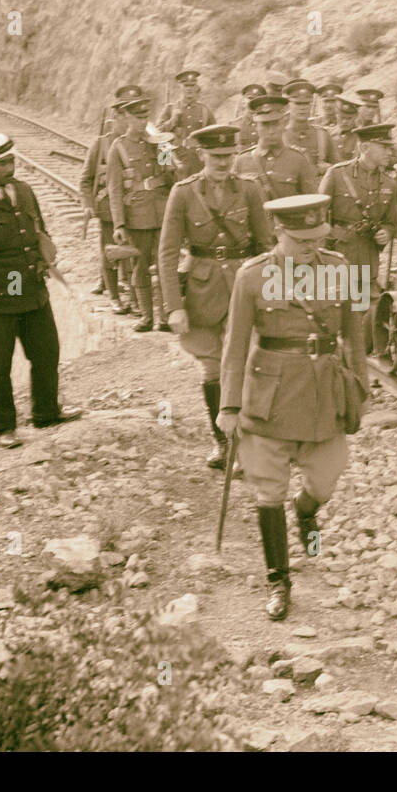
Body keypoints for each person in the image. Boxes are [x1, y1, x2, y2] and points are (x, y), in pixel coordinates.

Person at [217, 194, 368, 620]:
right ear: (278, 233)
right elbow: (234, 346)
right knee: (268, 491)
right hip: (270, 396)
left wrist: (360, 386)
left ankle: (305, 510)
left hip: (325, 391)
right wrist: (229, 406)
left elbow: (355, 334)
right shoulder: (252, 276)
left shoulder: (341, 269)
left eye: (316, 237)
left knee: (326, 479)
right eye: (300, 239)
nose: (310, 246)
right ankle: (278, 580)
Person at [0, 133, 81, 448]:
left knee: (47, 354)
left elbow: (39, 232)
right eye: (1, 164)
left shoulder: (24, 191)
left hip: (33, 294)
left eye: (12, 161)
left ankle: (47, 412)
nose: (9, 168)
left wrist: (42, 259)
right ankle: (4, 427)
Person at [158, 124, 272, 468]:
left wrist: (272, 292)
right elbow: (166, 253)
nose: (224, 163)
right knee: (211, 369)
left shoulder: (250, 190)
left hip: (244, 285)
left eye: (229, 156)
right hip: (201, 291)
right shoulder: (183, 192)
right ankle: (222, 444)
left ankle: (246, 445)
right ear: (202, 155)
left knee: (245, 364)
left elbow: (266, 246)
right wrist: (173, 307)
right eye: (216, 156)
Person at [319, 122, 397, 342]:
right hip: (336, 254)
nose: (389, 151)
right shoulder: (336, 175)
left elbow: (393, 222)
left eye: (389, 147)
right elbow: (316, 216)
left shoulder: (390, 183)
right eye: (383, 147)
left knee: (362, 312)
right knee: (332, 308)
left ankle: (357, 360)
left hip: (367, 255)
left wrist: (386, 231)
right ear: (365, 148)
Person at [108, 92, 176, 332]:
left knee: (165, 265)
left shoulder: (159, 141)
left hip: (163, 212)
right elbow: (114, 190)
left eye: (145, 116)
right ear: (126, 117)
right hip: (137, 216)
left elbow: (172, 175)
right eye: (137, 117)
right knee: (141, 266)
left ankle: (165, 316)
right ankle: (147, 317)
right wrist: (118, 224)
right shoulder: (119, 147)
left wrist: (165, 147)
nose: (141, 121)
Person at [81, 86, 144, 309]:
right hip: (109, 208)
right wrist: (88, 205)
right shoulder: (101, 144)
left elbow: (165, 168)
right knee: (111, 253)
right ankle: (115, 298)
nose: (129, 121)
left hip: (139, 209)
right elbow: (86, 179)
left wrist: (165, 143)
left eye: (134, 115)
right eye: (125, 115)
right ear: (116, 116)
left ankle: (137, 301)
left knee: (139, 255)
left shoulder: (149, 141)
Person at [232, 95, 320, 201]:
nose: (271, 131)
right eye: (265, 125)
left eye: (275, 124)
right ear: (256, 126)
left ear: (284, 124)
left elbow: (312, 202)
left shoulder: (298, 159)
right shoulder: (242, 161)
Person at [283, 79, 338, 174]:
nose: (303, 108)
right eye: (298, 103)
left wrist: (329, 169)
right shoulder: (281, 136)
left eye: (306, 103)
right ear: (289, 105)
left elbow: (339, 169)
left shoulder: (322, 135)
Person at [235, 82, 267, 150]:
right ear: (243, 102)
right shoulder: (235, 125)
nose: (254, 102)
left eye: (258, 99)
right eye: (250, 98)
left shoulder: (269, 123)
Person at [333, 96, 361, 162]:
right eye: (341, 117)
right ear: (336, 115)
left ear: (356, 116)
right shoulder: (327, 134)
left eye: (349, 118)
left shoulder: (360, 136)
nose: (344, 122)